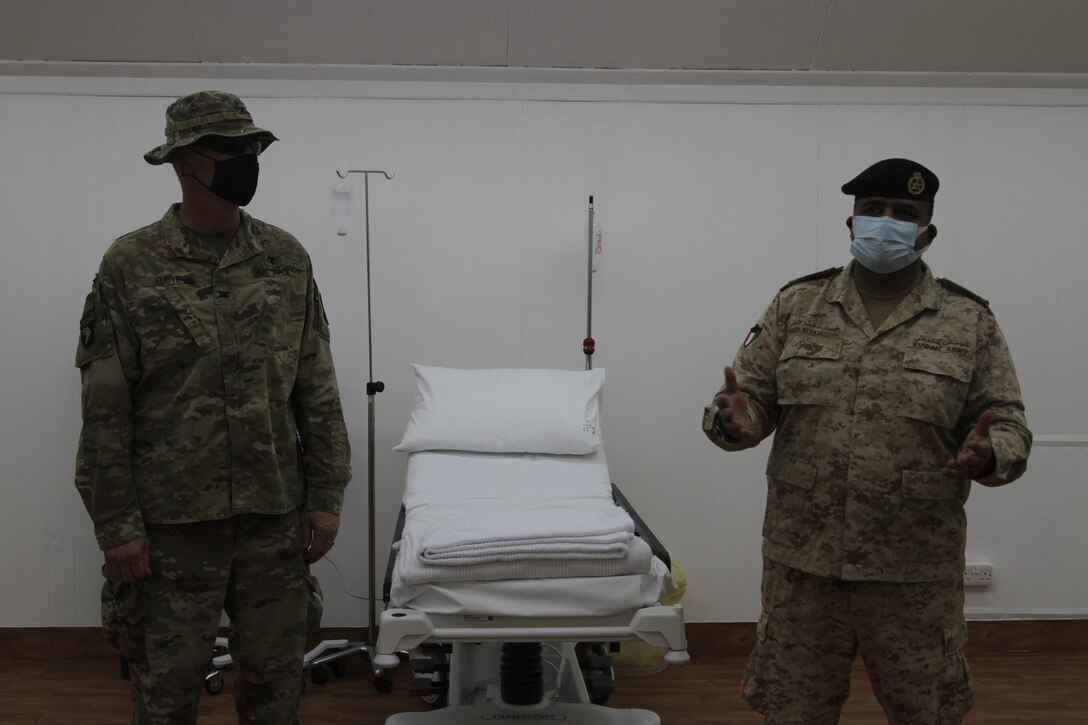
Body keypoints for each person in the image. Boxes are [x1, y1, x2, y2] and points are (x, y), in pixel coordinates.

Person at [702, 158, 1031, 724]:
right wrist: (735, 420)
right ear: (851, 224)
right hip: (804, 566)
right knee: (793, 711)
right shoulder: (795, 306)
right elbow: (744, 399)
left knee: (924, 712)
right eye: (872, 210)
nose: (886, 223)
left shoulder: (968, 320)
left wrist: (990, 454)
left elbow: (1009, 425)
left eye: (904, 214)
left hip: (914, 573)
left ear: (927, 233)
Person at [74, 90, 352, 724]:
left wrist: (326, 494)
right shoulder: (131, 264)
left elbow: (315, 384)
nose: (246, 160)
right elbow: (105, 406)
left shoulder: (286, 260)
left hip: (273, 516)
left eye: (251, 147)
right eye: (228, 149)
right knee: (165, 693)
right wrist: (116, 525)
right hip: (172, 525)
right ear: (185, 163)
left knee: (276, 688)